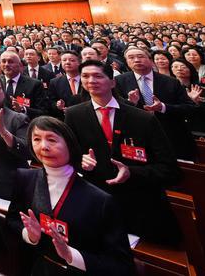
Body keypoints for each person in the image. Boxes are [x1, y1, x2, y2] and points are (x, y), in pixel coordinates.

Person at [64, 60, 180, 244]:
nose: (91, 80)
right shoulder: (73, 115)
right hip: (98, 202)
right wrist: (80, 160)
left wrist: (132, 172)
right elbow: (69, 157)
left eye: (98, 76)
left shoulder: (141, 118)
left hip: (140, 204)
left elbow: (169, 169)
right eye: (85, 76)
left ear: (112, 82)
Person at [6, 116, 133, 275]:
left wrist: (71, 256)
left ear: (70, 145)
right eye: (36, 139)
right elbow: (12, 220)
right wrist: (30, 235)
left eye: (52, 140)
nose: (43, 146)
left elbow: (122, 264)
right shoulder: (25, 178)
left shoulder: (99, 199)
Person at [115, 47, 196, 159]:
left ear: (150, 60)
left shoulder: (171, 81)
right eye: (131, 58)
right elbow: (115, 111)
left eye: (140, 56)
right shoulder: (119, 81)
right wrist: (130, 103)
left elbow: (189, 108)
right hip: (138, 137)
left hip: (170, 135)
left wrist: (162, 107)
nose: (136, 60)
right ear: (127, 62)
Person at [169, 59, 205, 137]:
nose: (179, 69)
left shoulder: (204, 90)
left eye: (183, 67)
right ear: (171, 70)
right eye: (175, 67)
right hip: (177, 130)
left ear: (190, 70)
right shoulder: (168, 90)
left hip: (200, 131)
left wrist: (197, 103)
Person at [1, 51, 49, 118]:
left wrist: (23, 109)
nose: (6, 64)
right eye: (3, 61)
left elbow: (43, 111)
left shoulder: (34, 84)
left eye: (10, 62)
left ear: (20, 65)